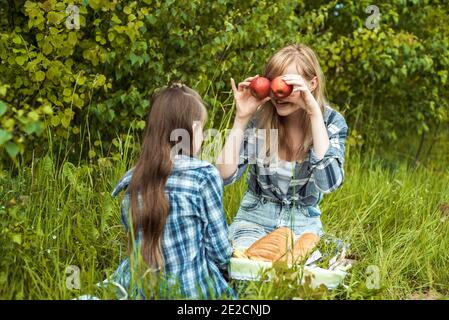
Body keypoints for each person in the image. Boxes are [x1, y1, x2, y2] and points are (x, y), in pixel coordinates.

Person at [216, 44, 349, 250]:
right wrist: (241, 119)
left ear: (312, 83)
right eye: (274, 82)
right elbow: (223, 177)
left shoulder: (331, 122)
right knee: (250, 263)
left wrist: (314, 114)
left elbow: (328, 183)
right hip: (254, 218)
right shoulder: (260, 118)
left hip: (303, 224)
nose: (279, 93)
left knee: (307, 267)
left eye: (289, 84)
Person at [110, 83, 234, 299]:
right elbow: (220, 253)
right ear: (194, 130)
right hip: (191, 291)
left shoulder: (133, 180)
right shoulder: (204, 176)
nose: (204, 137)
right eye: (203, 130)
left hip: (143, 290)